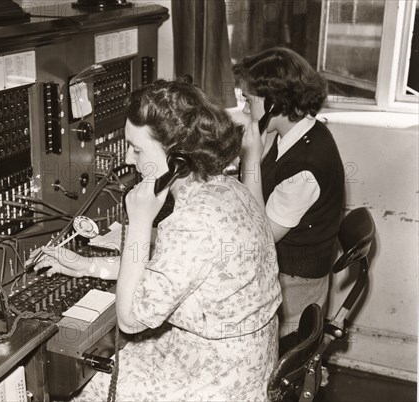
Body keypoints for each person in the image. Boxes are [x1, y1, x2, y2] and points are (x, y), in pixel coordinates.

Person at [30, 79, 282, 401]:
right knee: (105, 372)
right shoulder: (225, 189)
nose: (131, 160)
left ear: (177, 157)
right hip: (245, 358)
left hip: (222, 379)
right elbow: (172, 271)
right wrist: (88, 265)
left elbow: (130, 319)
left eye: (137, 149)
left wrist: (139, 220)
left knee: (89, 389)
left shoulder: (194, 221)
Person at [232, 47, 345, 338]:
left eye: (248, 100)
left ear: (273, 104)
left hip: (295, 284)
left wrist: (251, 161)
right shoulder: (296, 132)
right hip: (288, 269)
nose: (245, 109)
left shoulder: (306, 168)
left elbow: (260, 236)